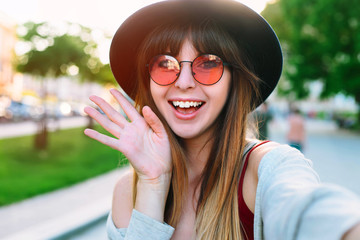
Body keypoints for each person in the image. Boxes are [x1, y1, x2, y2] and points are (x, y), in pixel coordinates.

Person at [83, 0, 360, 239]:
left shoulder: (265, 169)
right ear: (148, 81)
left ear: (234, 81)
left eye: (208, 63)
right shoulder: (126, 193)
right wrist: (153, 184)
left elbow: (309, 210)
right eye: (166, 64)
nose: (184, 82)